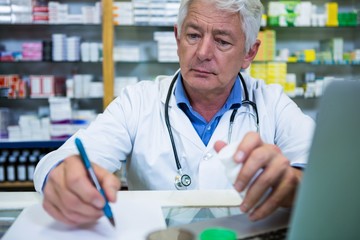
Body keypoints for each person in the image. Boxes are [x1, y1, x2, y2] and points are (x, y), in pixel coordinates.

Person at [34, 0, 315, 226]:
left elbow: (325, 177)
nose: (203, 52)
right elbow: (61, 161)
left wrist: (295, 185)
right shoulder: (138, 101)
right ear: (177, 38)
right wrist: (62, 176)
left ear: (249, 54)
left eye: (222, 41)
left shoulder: (272, 104)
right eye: (193, 35)